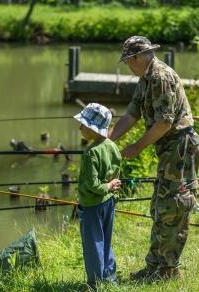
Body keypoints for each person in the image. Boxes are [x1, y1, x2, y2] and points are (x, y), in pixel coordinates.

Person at [109, 36, 199, 282]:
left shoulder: (161, 77)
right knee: (160, 208)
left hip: (180, 148)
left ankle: (168, 270)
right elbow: (132, 114)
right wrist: (108, 141)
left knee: (174, 208)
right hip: (168, 149)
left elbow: (164, 122)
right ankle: (154, 266)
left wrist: (137, 147)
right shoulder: (145, 79)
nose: (128, 66)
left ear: (138, 57)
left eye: (129, 61)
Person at [73, 103, 122, 287]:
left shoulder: (91, 153)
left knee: (94, 244)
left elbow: (92, 184)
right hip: (109, 203)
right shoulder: (112, 146)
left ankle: (95, 284)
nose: (80, 128)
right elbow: (117, 172)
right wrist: (111, 187)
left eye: (83, 125)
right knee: (106, 241)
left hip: (92, 205)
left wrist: (106, 187)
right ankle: (110, 279)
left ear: (93, 130)